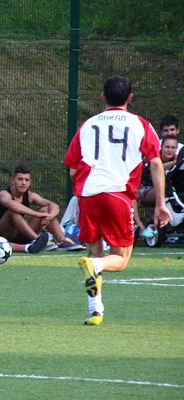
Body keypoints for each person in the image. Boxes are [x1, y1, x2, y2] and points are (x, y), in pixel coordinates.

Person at [64, 75, 172, 326]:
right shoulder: (140, 125)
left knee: (93, 253)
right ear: (130, 98)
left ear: (103, 97)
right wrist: (160, 204)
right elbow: (155, 163)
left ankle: (95, 310)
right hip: (118, 195)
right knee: (119, 260)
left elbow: (72, 168)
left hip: (89, 195)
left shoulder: (87, 125)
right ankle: (96, 269)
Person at [0, 164, 84, 252]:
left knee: (46, 209)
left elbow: (54, 205)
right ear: (12, 180)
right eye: (20, 179)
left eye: (26, 180)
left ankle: (62, 241)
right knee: (13, 211)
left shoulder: (31, 195)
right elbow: (12, 205)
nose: (23, 183)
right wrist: (37, 214)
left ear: (30, 182)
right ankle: (38, 240)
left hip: (21, 235)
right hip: (2, 236)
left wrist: (49, 217)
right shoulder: (4, 194)